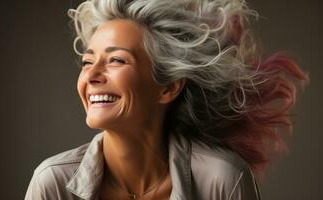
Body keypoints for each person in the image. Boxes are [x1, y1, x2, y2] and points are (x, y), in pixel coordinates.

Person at [25, 0, 308, 199]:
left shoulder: (224, 180)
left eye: (116, 60)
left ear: (169, 87)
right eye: (88, 62)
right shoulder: (52, 183)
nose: (92, 76)